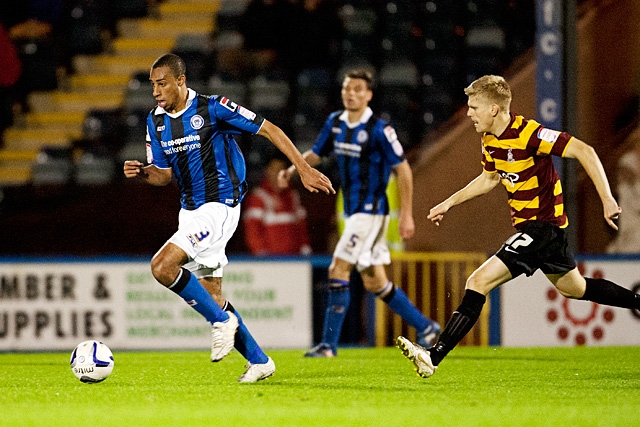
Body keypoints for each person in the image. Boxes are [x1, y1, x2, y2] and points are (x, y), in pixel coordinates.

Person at [396, 75, 640, 378]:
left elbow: (584, 151)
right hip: (541, 232)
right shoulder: (490, 140)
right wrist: (449, 202)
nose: (469, 113)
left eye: (474, 107)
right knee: (576, 288)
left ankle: (433, 356)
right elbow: (489, 178)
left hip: (543, 228)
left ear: (495, 109)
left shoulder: (529, 133)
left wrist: (606, 198)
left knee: (478, 281)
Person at [123, 53, 334, 382]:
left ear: (181, 80)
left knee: (163, 267)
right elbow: (163, 175)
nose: (155, 92)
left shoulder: (214, 107)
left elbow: (270, 130)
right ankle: (260, 361)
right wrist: (142, 173)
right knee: (213, 296)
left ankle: (221, 323)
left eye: (161, 84)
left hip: (219, 207)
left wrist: (303, 169)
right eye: (152, 85)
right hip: (190, 210)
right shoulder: (156, 121)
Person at [278, 69, 440, 358]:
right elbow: (316, 153)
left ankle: (328, 345)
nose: (351, 93)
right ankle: (426, 327)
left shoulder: (380, 129)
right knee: (374, 282)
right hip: (354, 214)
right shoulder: (336, 123)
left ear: (368, 95)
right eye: (347, 88)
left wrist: (406, 215)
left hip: (372, 213)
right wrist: (294, 169)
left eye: (357, 89)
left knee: (337, 268)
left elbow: (402, 169)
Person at [242, 154, 312, 255]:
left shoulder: (293, 196)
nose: (277, 173)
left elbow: (301, 227)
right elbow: (252, 230)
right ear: (267, 171)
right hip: (270, 260)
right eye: (274, 169)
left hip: (294, 259)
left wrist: (305, 249)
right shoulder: (259, 197)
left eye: (281, 169)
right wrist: (260, 254)